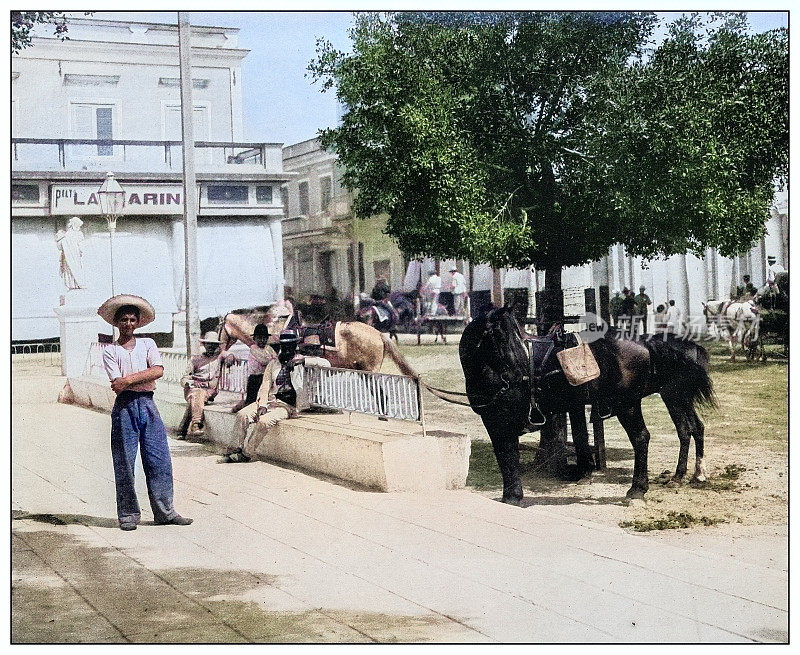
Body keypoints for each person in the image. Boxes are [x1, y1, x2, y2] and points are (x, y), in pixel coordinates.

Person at [97, 294, 192, 531]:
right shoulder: (110, 350)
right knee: (125, 461)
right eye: (123, 320)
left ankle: (165, 511)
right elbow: (117, 384)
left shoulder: (148, 344)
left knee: (158, 458)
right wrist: (139, 377)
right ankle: (128, 514)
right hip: (125, 407)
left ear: (138, 322)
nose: (128, 324)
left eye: (132, 319)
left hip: (148, 404)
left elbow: (158, 370)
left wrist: (129, 379)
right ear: (117, 323)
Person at [220, 330, 330, 464]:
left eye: (290, 345)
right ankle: (233, 449)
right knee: (242, 414)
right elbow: (265, 385)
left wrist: (303, 360)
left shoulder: (301, 361)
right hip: (271, 401)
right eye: (284, 346)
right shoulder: (274, 364)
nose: (286, 349)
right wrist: (262, 405)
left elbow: (326, 364)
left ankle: (247, 453)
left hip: (287, 406)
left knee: (264, 422)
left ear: (295, 345)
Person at [179, 331, 224, 438]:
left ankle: (183, 430)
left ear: (217, 346)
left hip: (210, 391)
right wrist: (192, 382)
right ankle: (196, 424)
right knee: (196, 394)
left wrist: (231, 356)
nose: (211, 347)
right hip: (193, 390)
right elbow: (184, 379)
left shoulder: (218, 358)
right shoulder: (196, 360)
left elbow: (228, 354)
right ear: (204, 345)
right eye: (209, 344)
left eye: (214, 344)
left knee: (196, 396)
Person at [231, 323, 278, 413]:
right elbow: (263, 360)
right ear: (254, 339)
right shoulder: (253, 348)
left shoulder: (269, 348)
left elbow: (275, 359)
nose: (262, 340)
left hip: (266, 376)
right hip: (255, 378)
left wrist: (271, 359)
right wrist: (271, 359)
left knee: (265, 396)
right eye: (259, 338)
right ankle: (242, 408)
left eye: (264, 338)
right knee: (252, 399)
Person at [55, 217, 86, 290]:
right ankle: (73, 284)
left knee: (74, 268)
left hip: (75, 256)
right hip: (69, 256)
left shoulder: (70, 235)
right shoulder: (68, 235)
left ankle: (74, 284)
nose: (78, 227)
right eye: (78, 226)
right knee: (70, 269)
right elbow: (60, 246)